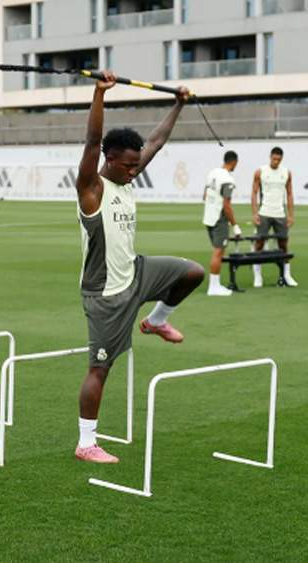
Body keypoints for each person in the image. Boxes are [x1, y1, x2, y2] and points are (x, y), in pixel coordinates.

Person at [73, 71, 205, 464]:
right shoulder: (92, 188)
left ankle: (156, 321)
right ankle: (86, 443)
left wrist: (178, 103)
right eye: (129, 166)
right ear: (109, 160)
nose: (135, 171)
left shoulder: (126, 177)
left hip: (136, 272)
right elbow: (93, 141)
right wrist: (100, 93)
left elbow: (157, 142)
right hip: (106, 295)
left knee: (192, 273)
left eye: (137, 166)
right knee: (101, 368)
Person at [251, 146, 297, 287]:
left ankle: (287, 275)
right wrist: (255, 213)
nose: (276, 161)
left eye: (278, 159)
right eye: (274, 158)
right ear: (270, 157)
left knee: (283, 244)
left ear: (281, 159)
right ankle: (258, 276)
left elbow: (289, 194)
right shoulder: (260, 171)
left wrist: (290, 215)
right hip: (264, 212)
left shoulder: (286, 173)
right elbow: (254, 193)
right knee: (259, 243)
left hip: (280, 214)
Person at [203, 151, 242, 296]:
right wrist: (235, 225)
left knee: (217, 251)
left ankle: (215, 285)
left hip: (208, 216)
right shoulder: (228, 180)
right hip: (219, 218)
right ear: (234, 162)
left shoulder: (212, 173)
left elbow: (205, 195)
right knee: (219, 252)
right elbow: (227, 205)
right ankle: (213, 287)